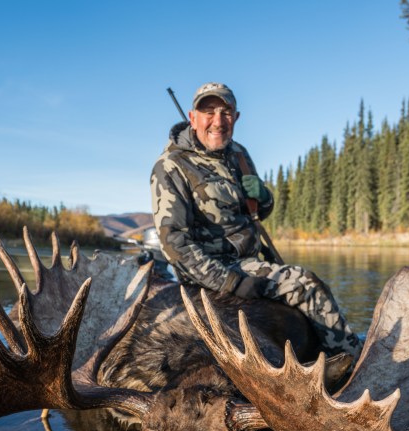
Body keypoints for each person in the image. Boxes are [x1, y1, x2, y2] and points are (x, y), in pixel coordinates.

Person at [151, 82, 361, 357]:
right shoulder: (170, 165)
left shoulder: (238, 154)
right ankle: (352, 361)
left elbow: (257, 212)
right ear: (193, 117)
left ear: (236, 117)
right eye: (209, 112)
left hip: (249, 260)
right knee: (305, 284)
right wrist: (231, 283)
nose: (218, 121)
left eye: (226, 113)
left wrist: (264, 196)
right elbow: (174, 243)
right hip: (213, 269)